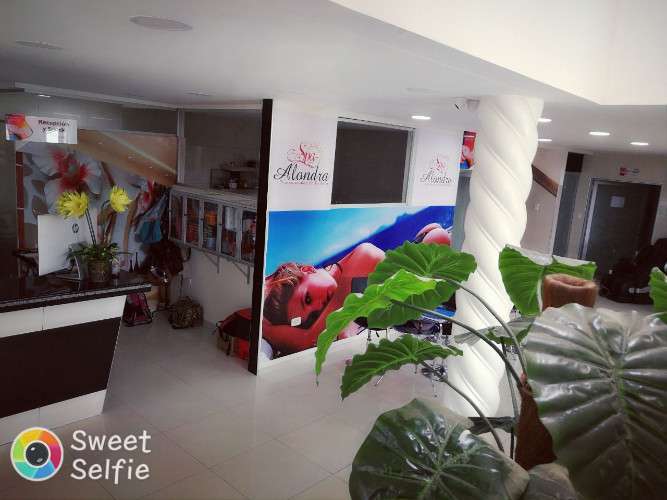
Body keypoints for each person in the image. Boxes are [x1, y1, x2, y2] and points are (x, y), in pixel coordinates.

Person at [262, 223, 451, 356]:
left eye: (308, 299)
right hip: (412, 299)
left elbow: (308, 339)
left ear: (308, 269)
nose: (319, 306)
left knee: (438, 239)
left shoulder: (360, 259)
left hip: (427, 274)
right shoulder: (343, 296)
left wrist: (265, 328)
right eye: (313, 316)